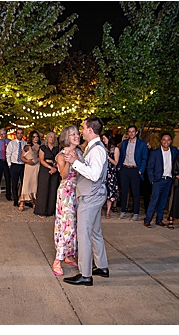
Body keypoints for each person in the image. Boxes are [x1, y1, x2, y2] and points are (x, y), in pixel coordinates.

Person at [65, 118, 109, 286]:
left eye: (83, 128)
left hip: (90, 196)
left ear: (90, 130)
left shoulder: (97, 150)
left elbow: (94, 174)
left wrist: (75, 162)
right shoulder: (95, 148)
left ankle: (85, 274)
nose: (81, 131)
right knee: (95, 232)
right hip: (95, 194)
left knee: (83, 234)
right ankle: (102, 266)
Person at [50, 125, 80, 276]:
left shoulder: (80, 152)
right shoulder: (61, 155)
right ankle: (57, 260)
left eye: (77, 133)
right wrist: (69, 161)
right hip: (66, 192)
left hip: (78, 191)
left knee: (75, 225)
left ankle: (69, 255)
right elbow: (63, 175)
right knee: (66, 225)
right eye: (72, 134)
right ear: (66, 137)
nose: (76, 136)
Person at [115, 126, 149, 219]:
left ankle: (136, 213)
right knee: (124, 192)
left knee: (135, 192)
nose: (131, 133)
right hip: (124, 169)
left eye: (133, 131)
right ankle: (123, 211)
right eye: (129, 132)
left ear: (136, 132)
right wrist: (119, 167)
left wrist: (140, 170)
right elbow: (121, 155)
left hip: (135, 170)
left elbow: (144, 158)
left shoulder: (142, 144)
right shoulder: (124, 143)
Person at [143, 134, 176, 228]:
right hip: (158, 180)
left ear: (171, 141)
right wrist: (152, 180)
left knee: (163, 201)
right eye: (164, 140)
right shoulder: (155, 152)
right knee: (154, 200)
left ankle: (159, 220)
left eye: (168, 140)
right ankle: (148, 220)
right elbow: (150, 167)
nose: (166, 142)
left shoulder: (174, 151)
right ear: (161, 141)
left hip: (168, 180)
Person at [34, 130, 61, 217]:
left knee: (53, 189)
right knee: (43, 189)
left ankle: (51, 210)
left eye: (53, 137)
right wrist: (50, 167)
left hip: (55, 168)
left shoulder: (58, 148)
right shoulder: (43, 148)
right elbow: (41, 160)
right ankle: (42, 211)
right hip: (45, 168)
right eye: (50, 137)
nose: (52, 139)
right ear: (47, 138)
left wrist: (55, 168)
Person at [18, 131, 40, 211]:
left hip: (37, 166)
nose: (36, 138)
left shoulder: (40, 146)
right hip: (28, 167)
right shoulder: (27, 146)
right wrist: (27, 161)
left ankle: (34, 201)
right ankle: (22, 202)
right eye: (34, 137)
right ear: (31, 138)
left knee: (35, 184)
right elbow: (22, 157)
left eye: (37, 136)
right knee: (26, 183)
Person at [5, 130, 27, 203]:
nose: (20, 135)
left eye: (21, 133)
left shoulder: (25, 143)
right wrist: (9, 164)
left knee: (23, 183)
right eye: (18, 133)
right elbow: (8, 154)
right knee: (14, 183)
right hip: (14, 164)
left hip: (23, 165)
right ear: (16, 134)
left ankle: (23, 199)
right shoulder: (12, 143)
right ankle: (15, 199)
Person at [103, 134, 120, 218]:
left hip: (111, 172)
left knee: (110, 192)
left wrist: (108, 157)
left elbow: (116, 162)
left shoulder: (115, 149)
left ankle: (108, 212)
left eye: (104, 138)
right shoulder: (102, 148)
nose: (103, 140)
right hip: (103, 172)